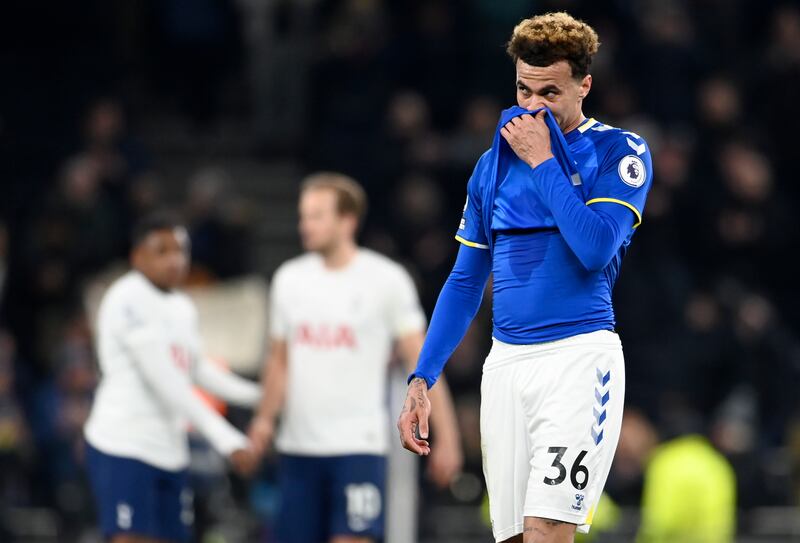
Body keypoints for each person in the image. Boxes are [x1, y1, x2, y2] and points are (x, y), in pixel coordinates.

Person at [397, 12, 654, 543]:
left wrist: (542, 163)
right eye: (522, 89)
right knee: (514, 537)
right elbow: (465, 282)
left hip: (578, 359)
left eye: (549, 93)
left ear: (585, 85)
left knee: (546, 532)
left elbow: (593, 247)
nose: (532, 107)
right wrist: (422, 377)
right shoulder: (491, 167)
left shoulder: (619, 152)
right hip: (506, 366)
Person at [248, 172, 463, 543]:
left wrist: (449, 438)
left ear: (347, 220)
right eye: (303, 216)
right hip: (298, 449)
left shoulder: (387, 280)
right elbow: (279, 362)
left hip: (358, 447)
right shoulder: (288, 280)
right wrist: (264, 420)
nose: (305, 225)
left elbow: (424, 365)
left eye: (316, 215)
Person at [84, 213, 261, 543]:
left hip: (170, 450)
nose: (175, 259)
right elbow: (167, 382)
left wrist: (261, 395)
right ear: (138, 256)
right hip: (124, 445)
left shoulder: (182, 306)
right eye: (162, 251)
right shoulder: (127, 298)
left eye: (181, 250)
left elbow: (195, 369)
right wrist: (228, 439)